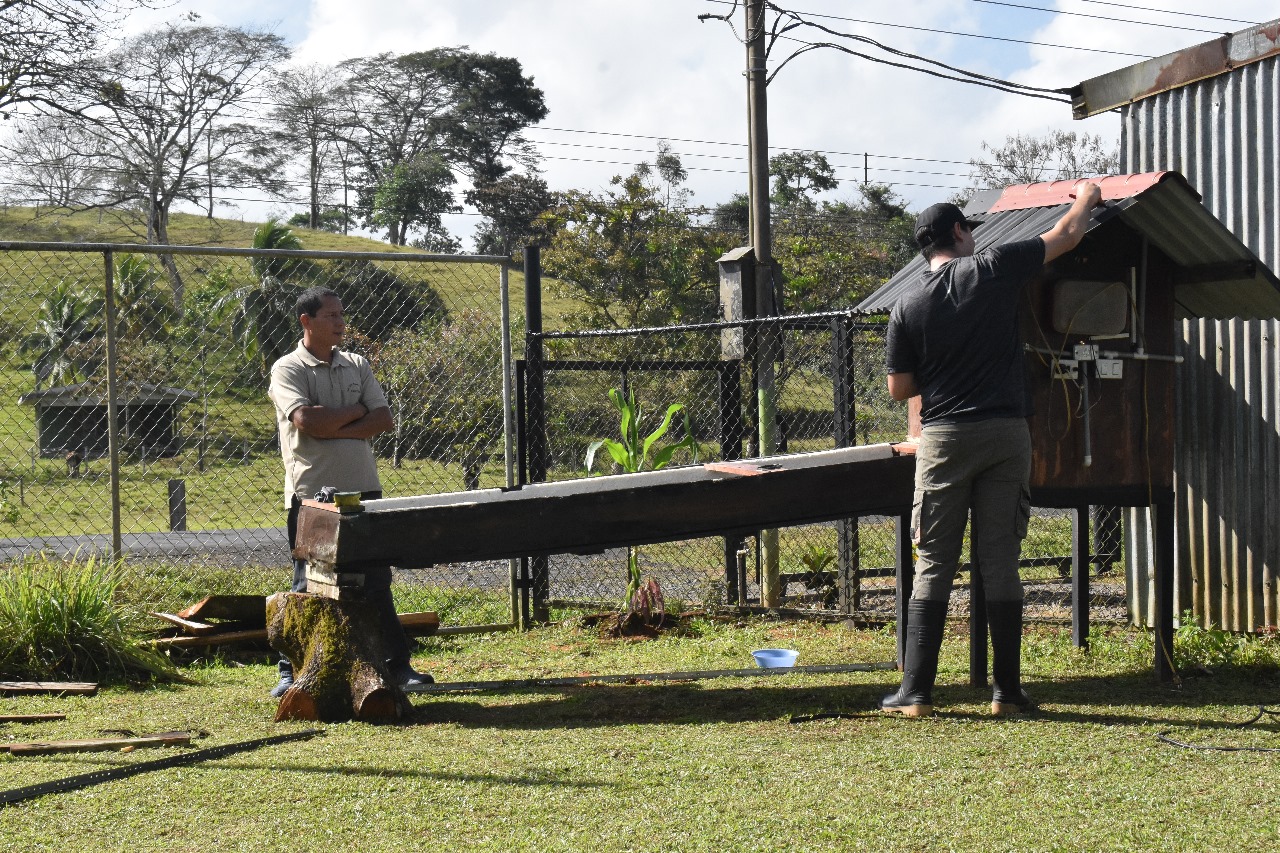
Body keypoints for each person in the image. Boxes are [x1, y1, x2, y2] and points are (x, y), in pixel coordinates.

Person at [881, 182, 1103, 717]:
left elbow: (900, 388)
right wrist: (1088, 194)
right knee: (1000, 559)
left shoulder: (906, 305)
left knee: (934, 561)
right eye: (969, 230)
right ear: (958, 232)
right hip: (1006, 434)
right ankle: (1007, 692)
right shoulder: (996, 266)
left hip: (944, 438)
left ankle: (915, 693)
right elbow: (1067, 234)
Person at [266, 286, 432, 697]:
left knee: (376, 581)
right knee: (307, 583)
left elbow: (384, 420)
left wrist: (337, 421)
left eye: (343, 314)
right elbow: (307, 421)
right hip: (312, 495)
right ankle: (290, 673)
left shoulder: (357, 363)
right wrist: (356, 412)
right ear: (307, 321)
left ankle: (398, 669)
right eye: (331, 316)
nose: (341, 323)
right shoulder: (288, 369)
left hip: (365, 492)